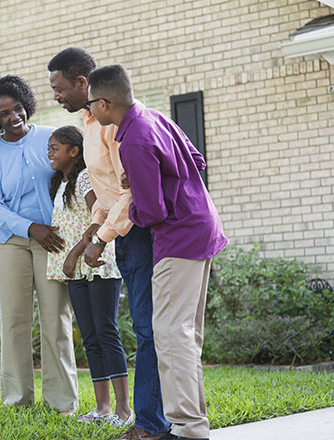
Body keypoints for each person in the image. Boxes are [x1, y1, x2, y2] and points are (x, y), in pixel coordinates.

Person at [87, 64, 228, 440]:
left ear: (104, 103)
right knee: (185, 333)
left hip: (178, 239)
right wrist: (151, 179)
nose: (90, 113)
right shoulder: (155, 118)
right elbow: (196, 162)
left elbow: (151, 213)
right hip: (203, 226)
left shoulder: (130, 140)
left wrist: (130, 193)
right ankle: (192, 425)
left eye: (91, 105)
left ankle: (186, 429)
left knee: (169, 334)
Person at [48, 48, 169, 439]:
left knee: (149, 330)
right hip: (120, 235)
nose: (55, 95)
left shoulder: (115, 124)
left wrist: (98, 239)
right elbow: (108, 192)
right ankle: (156, 420)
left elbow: (130, 192)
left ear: (84, 84)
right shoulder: (89, 123)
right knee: (143, 328)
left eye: (60, 88)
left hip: (138, 232)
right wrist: (94, 237)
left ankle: (149, 423)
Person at [0, 75, 78, 414]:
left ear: (26, 105)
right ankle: (17, 400)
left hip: (54, 240)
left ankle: (62, 401)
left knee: (56, 319)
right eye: (4, 113)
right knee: (15, 320)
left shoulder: (51, 136)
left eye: (17, 108)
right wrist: (31, 228)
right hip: (10, 243)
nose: (13, 116)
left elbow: (74, 178)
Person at [45, 126, 132, 427]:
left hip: (98, 264)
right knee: (91, 338)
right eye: (49, 148)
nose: (50, 153)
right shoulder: (60, 182)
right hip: (77, 272)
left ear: (74, 151)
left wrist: (75, 253)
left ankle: (123, 410)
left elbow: (100, 216)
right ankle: (103, 409)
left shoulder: (83, 178)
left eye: (55, 147)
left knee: (106, 331)